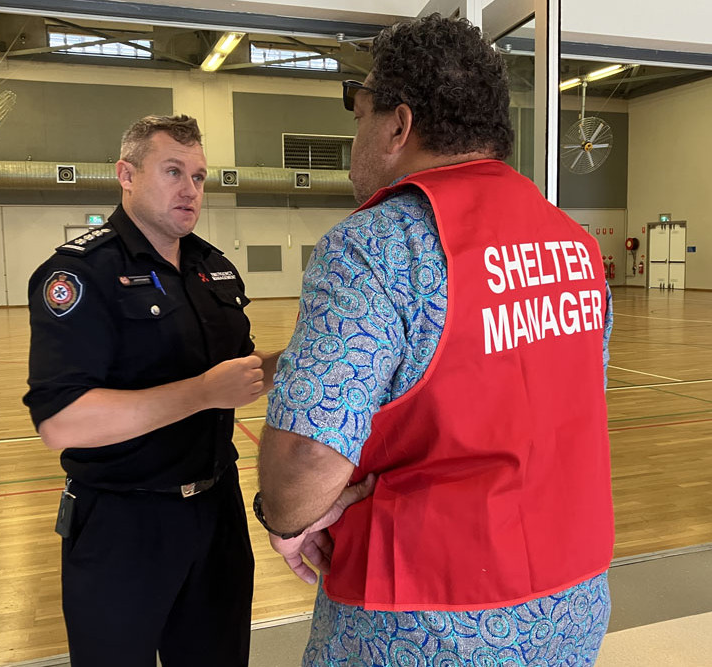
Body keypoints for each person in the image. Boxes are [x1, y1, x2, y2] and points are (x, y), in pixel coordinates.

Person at [254, 14, 615, 665]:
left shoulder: (375, 245)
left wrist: (284, 517)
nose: (357, 137)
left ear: (398, 124)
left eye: (360, 116)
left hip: (423, 619)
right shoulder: (577, 246)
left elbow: (306, 462)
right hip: (572, 601)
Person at [23, 114, 272, 667]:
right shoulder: (80, 275)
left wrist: (312, 354)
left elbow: (242, 373)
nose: (190, 189)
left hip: (216, 513)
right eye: (173, 171)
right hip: (123, 524)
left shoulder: (215, 269)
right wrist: (203, 392)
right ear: (126, 175)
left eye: (201, 176)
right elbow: (61, 421)